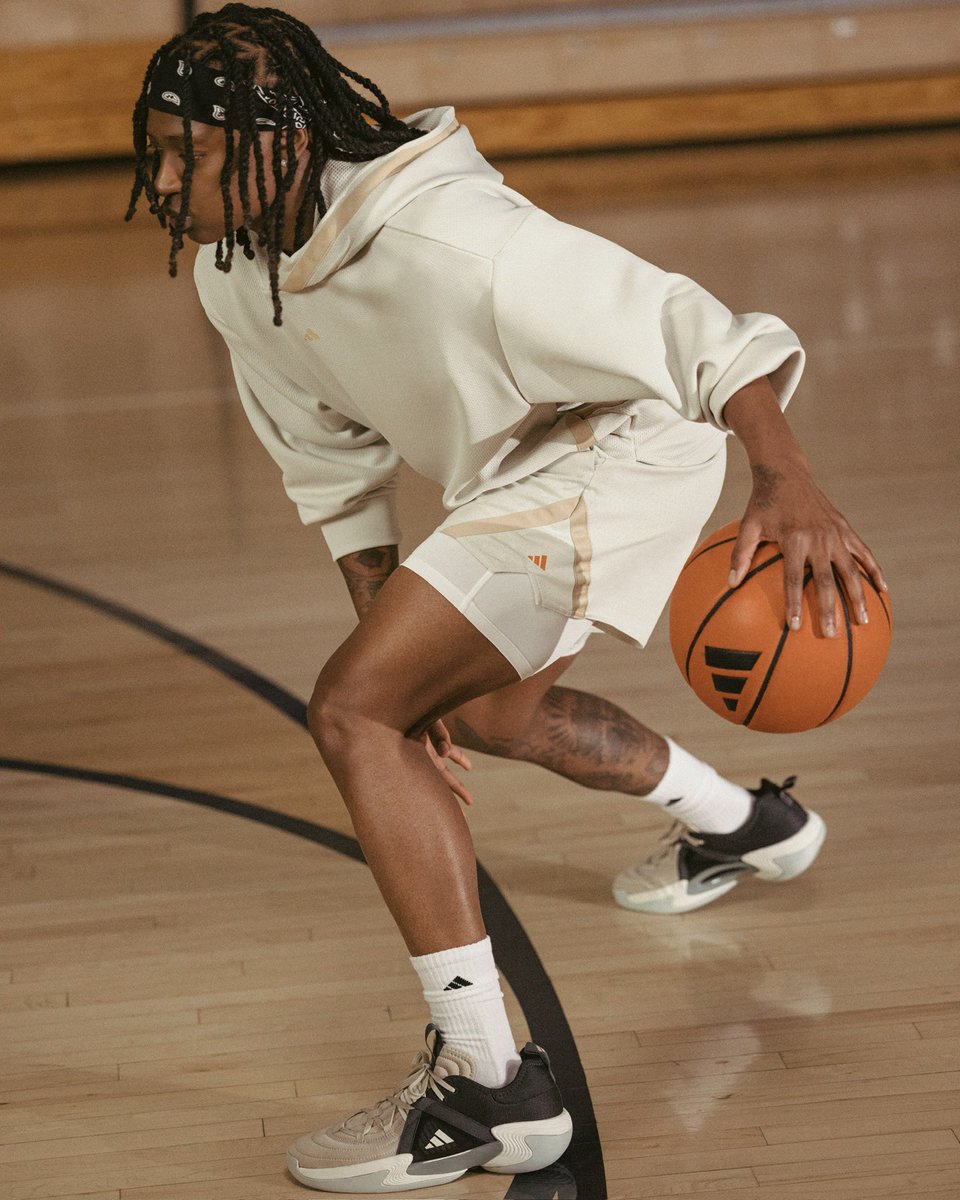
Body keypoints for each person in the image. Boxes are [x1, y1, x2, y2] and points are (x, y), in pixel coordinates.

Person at [128, 5, 886, 1192]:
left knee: (347, 713)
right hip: (525, 476)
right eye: (157, 151)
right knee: (480, 714)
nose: (165, 180)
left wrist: (784, 477)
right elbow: (331, 463)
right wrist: (385, 627)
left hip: (627, 452)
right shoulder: (241, 273)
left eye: (191, 154)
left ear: (277, 141)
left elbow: (690, 328)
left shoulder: (457, 242)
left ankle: (488, 1087)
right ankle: (747, 826)